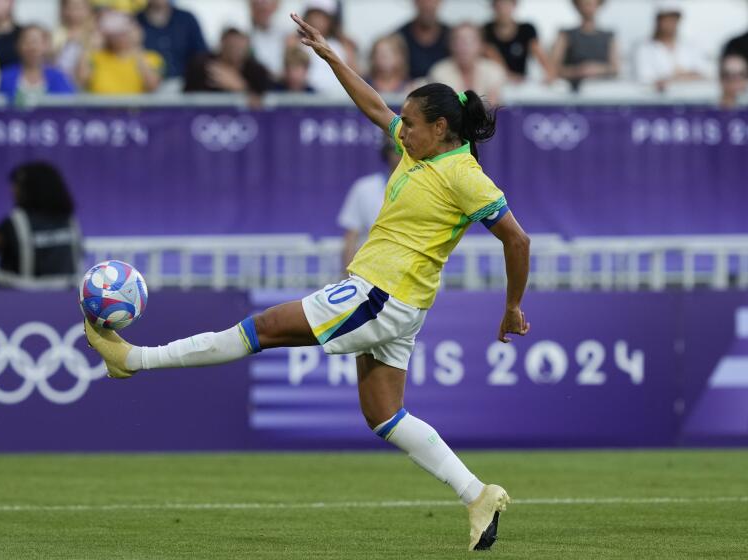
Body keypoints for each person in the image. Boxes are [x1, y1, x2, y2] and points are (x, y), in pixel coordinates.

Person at [85, 11, 531, 552]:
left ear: (440, 128)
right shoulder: (420, 150)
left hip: (381, 295)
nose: (400, 130)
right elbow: (374, 106)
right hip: (401, 304)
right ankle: (477, 494)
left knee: (267, 326)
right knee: (385, 415)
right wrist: (333, 58)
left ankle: (133, 360)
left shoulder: (465, 174)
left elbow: (517, 239)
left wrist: (511, 307)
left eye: (410, 123)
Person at [0, 162, 82, 289]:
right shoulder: (69, 221)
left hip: (19, 298)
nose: (12, 190)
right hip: (63, 295)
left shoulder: (16, 221)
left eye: (16, 185)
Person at [337, 137, 402, 268]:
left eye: (406, 149)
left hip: (411, 273)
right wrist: (348, 275)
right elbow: (351, 236)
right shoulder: (364, 188)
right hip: (370, 272)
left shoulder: (426, 187)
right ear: (386, 153)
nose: (401, 154)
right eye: (397, 149)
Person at [77, 10, 163, 95]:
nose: (119, 37)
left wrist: (137, 47)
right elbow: (81, 80)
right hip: (102, 108)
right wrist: (88, 46)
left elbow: (153, 86)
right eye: (115, 33)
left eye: (123, 32)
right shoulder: (95, 57)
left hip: (135, 109)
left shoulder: (151, 58)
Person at [633, 1, 707, 91]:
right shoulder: (644, 48)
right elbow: (645, 79)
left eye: (673, 18)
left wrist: (672, 78)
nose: (670, 23)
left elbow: (703, 75)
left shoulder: (691, 45)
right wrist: (682, 76)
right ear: (658, 20)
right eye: (666, 18)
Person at [428, 23, 507, 106]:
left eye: (469, 41)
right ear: (450, 45)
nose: (463, 46)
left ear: (481, 45)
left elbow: (492, 107)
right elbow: (448, 107)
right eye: (458, 41)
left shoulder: (494, 71)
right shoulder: (439, 72)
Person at [288, 0, 357, 95]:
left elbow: (354, 79)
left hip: (339, 102)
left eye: (322, 16)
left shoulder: (344, 46)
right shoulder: (294, 42)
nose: (316, 20)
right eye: (313, 14)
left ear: (331, 20)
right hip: (305, 100)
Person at [550, 0, 619, 91]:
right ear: (577, 6)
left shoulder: (609, 36)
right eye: (584, 4)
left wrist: (596, 69)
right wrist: (576, 71)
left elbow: (615, 68)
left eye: (591, 4)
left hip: (603, 91)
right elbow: (552, 67)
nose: (588, 8)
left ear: (599, 5)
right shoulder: (565, 35)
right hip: (573, 91)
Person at [0, 24, 75, 105]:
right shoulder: (4, 76)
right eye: (26, 42)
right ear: (17, 45)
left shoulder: (59, 77)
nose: (32, 47)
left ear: (46, 45)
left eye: (36, 42)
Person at [183, 26, 271, 96]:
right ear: (222, 42)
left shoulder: (257, 71)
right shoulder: (201, 67)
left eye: (239, 43)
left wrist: (240, 87)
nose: (235, 46)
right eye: (231, 44)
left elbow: (263, 101)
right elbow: (188, 97)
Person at [483, 0, 554, 83]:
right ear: (493, 7)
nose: (503, 9)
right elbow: (494, 61)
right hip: (495, 81)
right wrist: (509, 77)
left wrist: (550, 74)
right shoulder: (485, 31)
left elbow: (540, 55)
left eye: (506, 5)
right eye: (499, 5)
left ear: (514, 5)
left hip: (519, 83)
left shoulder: (527, 29)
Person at [137, 0, 207, 82]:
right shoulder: (134, 21)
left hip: (185, 84)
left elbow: (202, 55)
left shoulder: (186, 19)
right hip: (146, 85)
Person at [395, 0, 450, 80]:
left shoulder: (451, 37)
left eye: (433, 1)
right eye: (423, 1)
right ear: (415, 2)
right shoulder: (399, 38)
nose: (428, 5)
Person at [52, 0, 101, 83]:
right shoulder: (57, 33)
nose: (74, 12)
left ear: (88, 10)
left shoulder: (95, 34)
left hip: (88, 81)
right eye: (70, 8)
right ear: (63, 10)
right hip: (62, 79)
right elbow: (52, 59)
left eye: (79, 8)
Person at [249, 0, 287, 79]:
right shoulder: (244, 32)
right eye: (257, 4)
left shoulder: (286, 34)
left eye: (266, 4)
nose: (262, 7)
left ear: (275, 6)